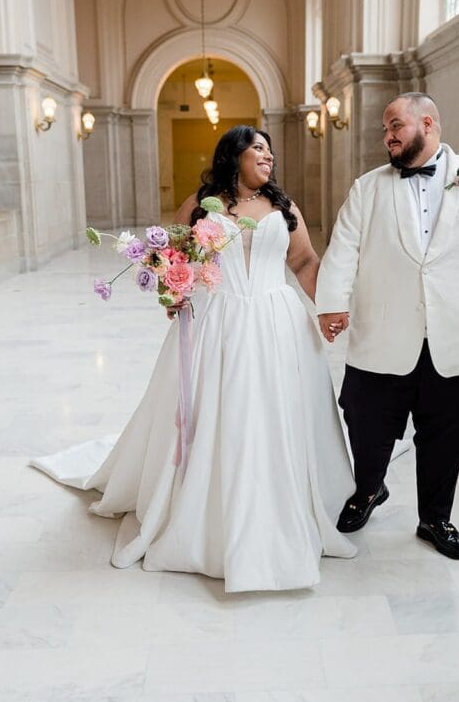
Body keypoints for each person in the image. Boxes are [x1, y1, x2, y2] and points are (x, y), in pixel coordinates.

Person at [31, 126, 357, 592]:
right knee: (216, 409)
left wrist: (328, 307)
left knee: (271, 411)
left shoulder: (283, 207)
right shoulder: (203, 203)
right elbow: (168, 257)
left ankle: (280, 498)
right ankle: (203, 505)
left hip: (275, 322)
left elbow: (304, 262)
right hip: (216, 322)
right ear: (234, 156)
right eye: (258, 148)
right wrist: (173, 291)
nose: (269, 156)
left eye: (271, 149)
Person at [316, 93, 459, 560]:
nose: (387, 135)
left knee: (447, 433)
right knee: (365, 421)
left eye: (395, 124)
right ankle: (369, 489)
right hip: (383, 332)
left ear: (428, 123)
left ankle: (435, 517)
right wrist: (331, 303)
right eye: (384, 129)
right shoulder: (367, 187)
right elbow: (343, 249)